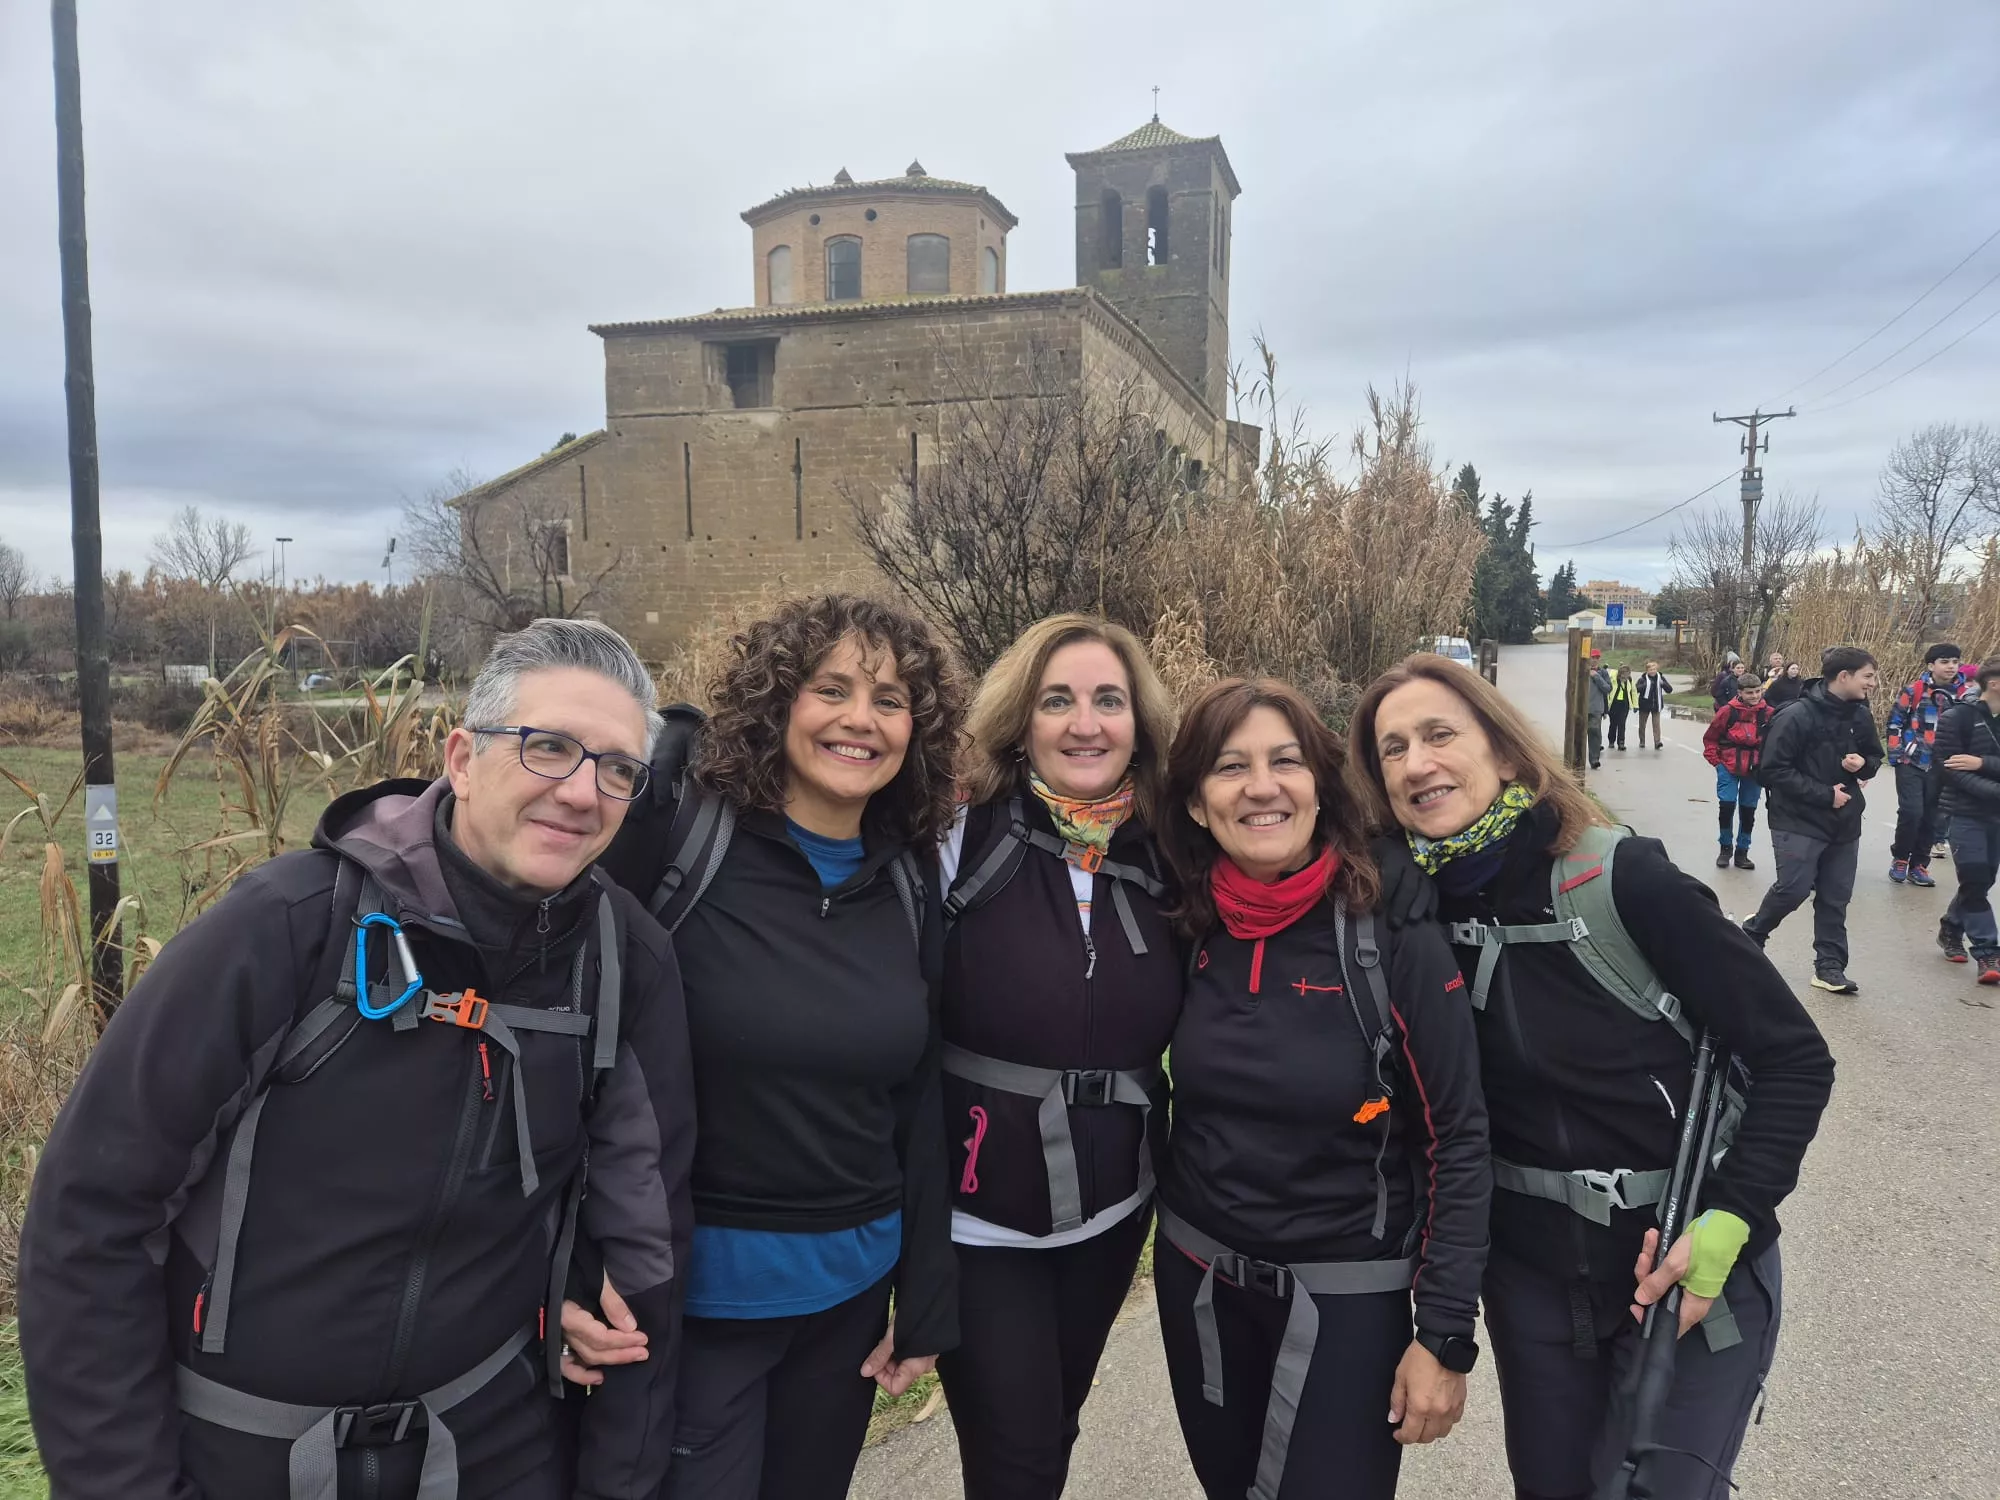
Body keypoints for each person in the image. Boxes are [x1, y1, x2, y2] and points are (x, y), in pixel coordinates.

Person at [19, 618, 697, 1500]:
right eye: (548, 748)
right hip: (241, 1456)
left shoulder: (622, 963)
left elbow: (644, 1246)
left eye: (616, 770)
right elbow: (91, 1220)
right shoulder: (288, 930)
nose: (581, 792)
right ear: (461, 758)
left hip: (491, 1451)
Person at [1351, 655, 1834, 1500]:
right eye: (1391, 750)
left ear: (1503, 751)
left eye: (1438, 734)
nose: (1417, 762)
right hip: (1535, 1283)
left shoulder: (1619, 879)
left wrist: (1731, 1220)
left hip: (1686, 1268)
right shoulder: (1403, 914)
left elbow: (1795, 1056)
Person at [571, 594, 965, 1499]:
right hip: (693, 1300)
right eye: (831, 689)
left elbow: (918, 1090)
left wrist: (926, 1295)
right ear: (777, 698)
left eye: (891, 700)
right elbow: (571, 1053)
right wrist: (567, 1262)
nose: (860, 720)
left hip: (850, 1300)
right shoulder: (678, 841)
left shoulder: (904, 875)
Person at [1151, 677, 1490, 1500]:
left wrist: (1444, 1335)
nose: (1262, 787)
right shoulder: (1186, 917)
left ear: (1320, 786)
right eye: (1231, 767)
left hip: (1348, 1296)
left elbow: (1459, 1135)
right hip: (1199, 1279)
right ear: (1197, 803)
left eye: (1286, 762)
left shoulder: (1389, 931)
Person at [932, 615, 1183, 1500]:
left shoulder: (1166, 851)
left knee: (1055, 1425)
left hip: (1112, 1213)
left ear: (1138, 722)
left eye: (1108, 700)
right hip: (976, 1214)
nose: (1086, 723)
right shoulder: (964, 832)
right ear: (1022, 720)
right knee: (1020, 1455)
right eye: (1059, 700)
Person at [1742, 646, 1884, 994]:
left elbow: (1875, 758)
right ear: (1844, 677)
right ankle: (1755, 931)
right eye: (1868, 676)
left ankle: (1829, 968)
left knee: (1835, 896)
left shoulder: (1860, 715)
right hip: (1797, 818)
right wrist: (1825, 794)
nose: (1874, 683)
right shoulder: (1796, 716)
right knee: (1793, 890)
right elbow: (1771, 771)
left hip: (1845, 821)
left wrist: (1861, 765)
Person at [1934, 660, 2000, 983]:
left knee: (1983, 880)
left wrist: (1982, 762)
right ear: (1994, 683)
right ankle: (1989, 953)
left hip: (1996, 816)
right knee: (1974, 880)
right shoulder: (1957, 717)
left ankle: (1951, 926)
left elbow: (1973, 765)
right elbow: (1950, 768)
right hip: (1965, 812)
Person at [1884, 642, 1967, 887]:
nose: (1951, 666)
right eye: (1944, 662)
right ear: (1931, 665)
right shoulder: (1914, 690)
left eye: (1954, 661)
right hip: (1912, 760)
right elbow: (1894, 723)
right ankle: (1900, 858)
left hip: (1945, 765)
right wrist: (1897, 755)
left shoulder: (1965, 695)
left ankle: (1919, 864)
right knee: (1911, 812)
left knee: (1934, 816)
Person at [1704, 670, 1774, 872]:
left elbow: (1775, 741)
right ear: (1740, 692)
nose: (1755, 696)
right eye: (1750, 693)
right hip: (1728, 765)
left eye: (1758, 692)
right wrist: (1716, 762)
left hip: (1754, 768)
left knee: (1748, 810)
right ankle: (1725, 848)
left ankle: (1743, 851)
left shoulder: (1768, 714)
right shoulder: (1727, 711)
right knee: (1726, 807)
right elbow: (1710, 738)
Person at [1632, 659, 1673, 749]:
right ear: (1647, 671)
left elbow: (1669, 690)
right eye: (1651, 670)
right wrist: (1645, 685)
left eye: (1654, 669)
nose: (1653, 671)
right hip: (1644, 705)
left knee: (1656, 725)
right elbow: (1636, 690)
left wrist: (1663, 684)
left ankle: (1657, 742)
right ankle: (1642, 741)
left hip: (1656, 705)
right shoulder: (1642, 679)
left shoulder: (1660, 678)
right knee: (1642, 725)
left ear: (1657, 669)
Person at [1587, 652, 1612, 769]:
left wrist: (1596, 676)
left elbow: (1607, 688)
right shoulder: (1581, 671)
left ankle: (1594, 759)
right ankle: (1576, 759)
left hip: (1596, 709)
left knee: (1594, 732)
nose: (1595, 660)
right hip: (1581, 708)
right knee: (1578, 734)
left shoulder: (1603, 673)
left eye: (1597, 658)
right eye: (1593, 657)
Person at [1606, 667, 1638, 751]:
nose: (1625, 677)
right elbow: (1607, 691)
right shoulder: (1613, 680)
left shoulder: (1630, 681)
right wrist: (1606, 705)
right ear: (1620, 674)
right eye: (1624, 675)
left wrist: (1635, 705)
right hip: (1613, 705)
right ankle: (1611, 741)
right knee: (1613, 724)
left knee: (1622, 724)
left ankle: (1621, 742)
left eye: (1628, 675)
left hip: (1624, 705)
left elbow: (1634, 692)